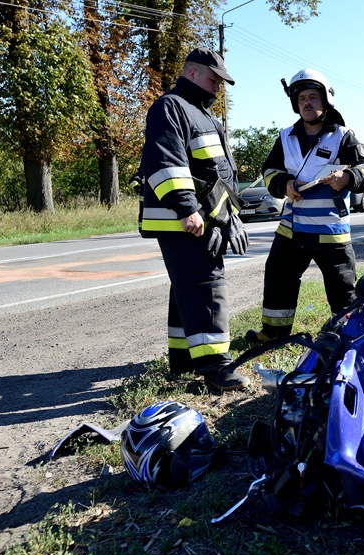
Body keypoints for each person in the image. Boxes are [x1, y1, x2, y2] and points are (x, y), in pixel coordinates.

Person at [138, 47, 250, 392]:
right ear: (191, 73)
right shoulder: (170, 107)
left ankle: (185, 359)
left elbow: (214, 174)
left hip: (202, 217)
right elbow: (165, 162)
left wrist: (231, 216)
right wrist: (187, 208)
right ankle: (216, 368)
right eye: (214, 79)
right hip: (183, 220)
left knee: (187, 286)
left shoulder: (201, 114)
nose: (218, 87)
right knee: (206, 284)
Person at [244, 68, 364, 343]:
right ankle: (274, 333)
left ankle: (350, 335)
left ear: (325, 100)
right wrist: (284, 184)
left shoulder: (343, 135)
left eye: (313, 96)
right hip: (291, 229)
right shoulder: (284, 137)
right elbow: (269, 170)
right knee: (278, 278)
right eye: (302, 97)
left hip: (331, 230)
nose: (307, 102)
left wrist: (347, 177)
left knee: (342, 288)